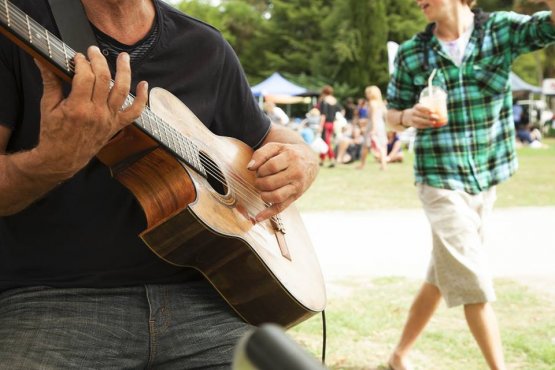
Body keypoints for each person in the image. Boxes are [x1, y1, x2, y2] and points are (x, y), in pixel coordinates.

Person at [0, 0, 319, 368]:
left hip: (208, 303)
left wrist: (304, 158)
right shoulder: (17, 27)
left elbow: (268, 136)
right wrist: (49, 163)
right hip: (52, 303)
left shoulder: (205, 46)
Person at [385, 0, 555, 369]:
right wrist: (406, 115)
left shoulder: (500, 31)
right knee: (472, 276)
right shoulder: (414, 52)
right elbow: (390, 116)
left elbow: (550, 27)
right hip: (438, 176)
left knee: (443, 271)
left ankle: (398, 355)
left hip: (484, 174)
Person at [357, 86, 388, 170]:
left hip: (373, 125)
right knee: (382, 145)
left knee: (365, 145)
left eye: (367, 93)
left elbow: (373, 117)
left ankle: (362, 164)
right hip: (381, 125)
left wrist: (373, 129)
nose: (366, 95)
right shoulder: (381, 103)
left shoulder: (372, 103)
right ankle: (383, 164)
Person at [318, 85, 341, 167]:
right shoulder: (335, 100)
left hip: (325, 124)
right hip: (332, 124)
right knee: (325, 141)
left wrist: (320, 126)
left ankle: (332, 159)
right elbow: (341, 111)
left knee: (326, 142)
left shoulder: (324, 101)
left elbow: (323, 115)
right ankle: (322, 159)